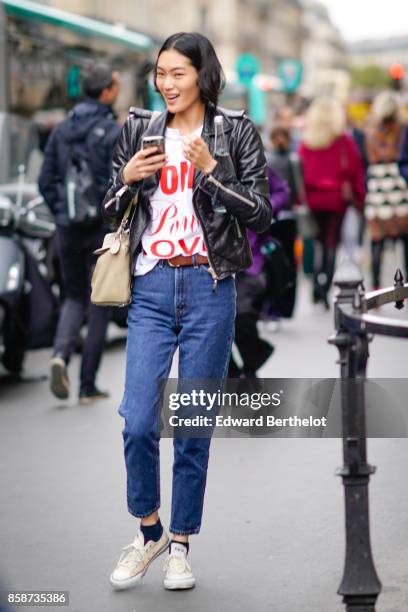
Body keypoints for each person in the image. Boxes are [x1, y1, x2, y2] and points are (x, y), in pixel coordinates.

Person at [102, 32, 271, 591]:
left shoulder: (235, 131)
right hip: (151, 286)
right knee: (139, 420)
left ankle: (180, 544)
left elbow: (263, 214)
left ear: (202, 75)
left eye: (178, 73)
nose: (167, 84)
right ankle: (147, 531)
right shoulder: (139, 129)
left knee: (192, 427)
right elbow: (110, 204)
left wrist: (211, 173)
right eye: (161, 73)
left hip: (209, 285)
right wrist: (126, 182)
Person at [39, 63, 121, 403]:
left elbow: (46, 180)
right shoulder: (113, 130)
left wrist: (63, 213)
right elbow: (121, 183)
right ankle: (87, 386)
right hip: (101, 229)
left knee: (72, 297)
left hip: (68, 229)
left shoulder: (62, 129)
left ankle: (60, 354)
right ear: (106, 92)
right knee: (100, 302)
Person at [299, 97, 365, 308]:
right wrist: (360, 199)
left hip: (312, 199)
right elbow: (356, 171)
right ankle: (324, 287)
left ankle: (315, 285)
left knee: (316, 242)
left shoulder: (307, 141)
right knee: (330, 243)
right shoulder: (343, 140)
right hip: (336, 200)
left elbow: (299, 173)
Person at [228, 168, 289, 378]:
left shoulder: (253, 162)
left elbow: (282, 191)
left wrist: (261, 209)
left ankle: (251, 365)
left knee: (242, 315)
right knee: (215, 325)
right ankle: (235, 373)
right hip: (214, 261)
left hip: (252, 259)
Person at [362, 91, 408, 288]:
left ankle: (376, 284)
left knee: (377, 239)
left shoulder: (370, 131)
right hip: (398, 185)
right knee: (405, 239)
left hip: (377, 187)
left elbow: (364, 160)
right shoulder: (402, 129)